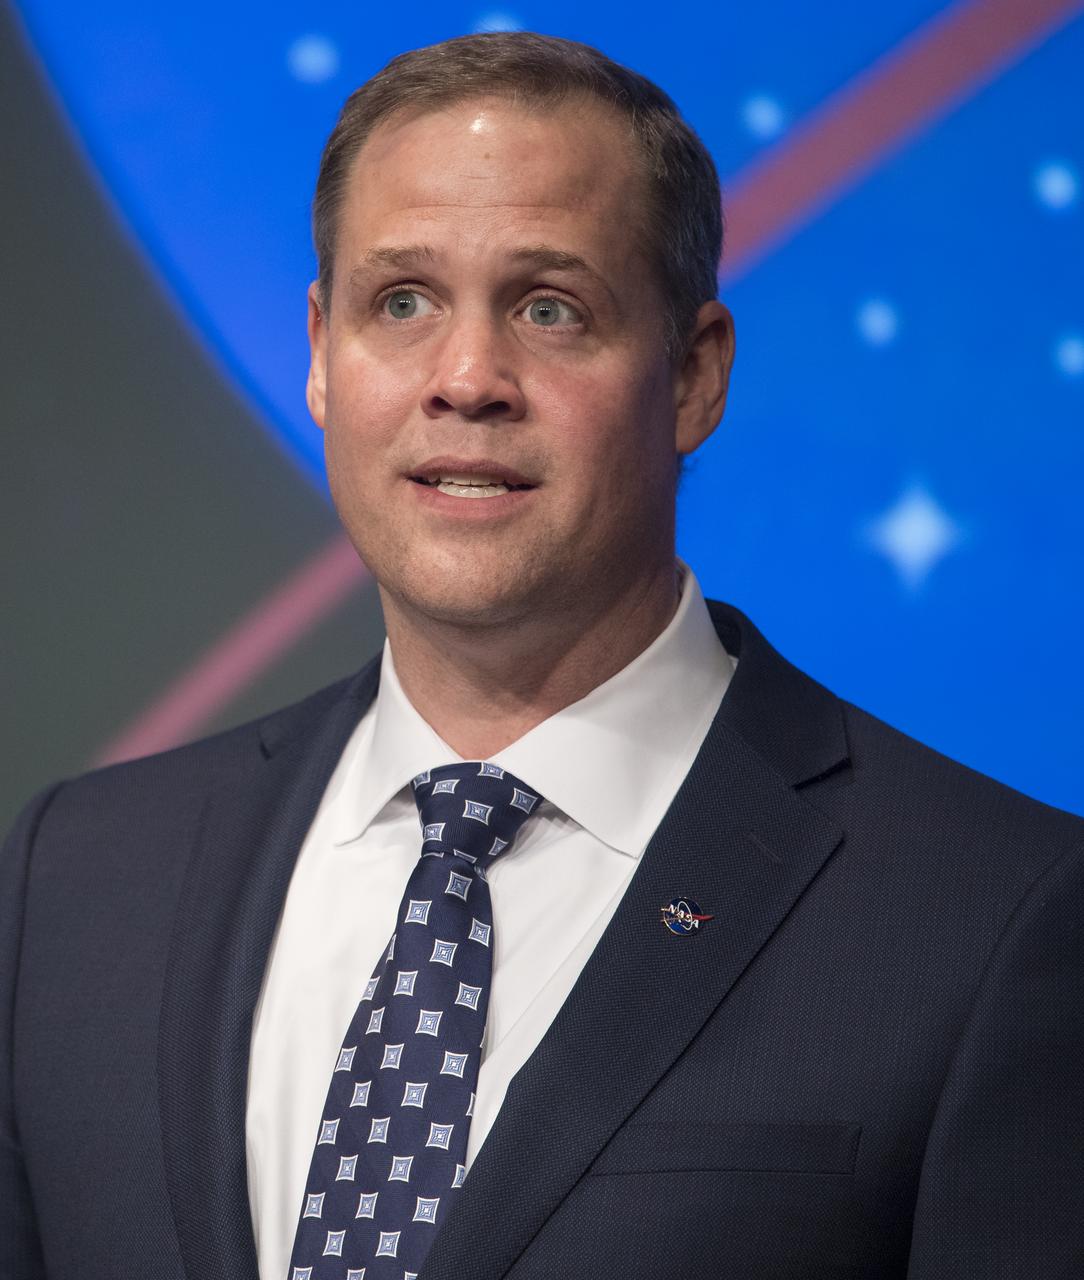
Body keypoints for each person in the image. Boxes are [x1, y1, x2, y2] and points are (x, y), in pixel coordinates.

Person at [2, 30, 1082, 1280]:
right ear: (318, 349)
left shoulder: (993, 917)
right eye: (400, 302)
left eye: (548, 307)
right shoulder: (75, 883)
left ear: (691, 372)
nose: (466, 378)